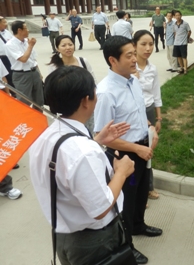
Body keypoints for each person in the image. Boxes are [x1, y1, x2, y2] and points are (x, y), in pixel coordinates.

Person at [30, 65, 136, 265]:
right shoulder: (83, 152)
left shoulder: (45, 136)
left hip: (65, 235)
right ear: (86, 100)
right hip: (94, 241)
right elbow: (100, 208)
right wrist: (121, 172)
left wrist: (97, 141)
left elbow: (66, 168)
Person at [94, 36, 161, 264]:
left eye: (135, 52)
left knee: (141, 193)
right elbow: (103, 138)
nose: (136, 58)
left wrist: (150, 129)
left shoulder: (131, 80)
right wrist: (136, 149)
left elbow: (137, 114)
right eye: (129, 55)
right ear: (113, 60)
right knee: (126, 201)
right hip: (124, 156)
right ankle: (127, 245)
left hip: (142, 147)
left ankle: (139, 225)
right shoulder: (105, 93)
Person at [132, 30, 162, 200]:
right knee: (136, 152)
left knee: (149, 151)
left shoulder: (152, 68)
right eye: (143, 44)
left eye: (151, 44)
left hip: (149, 110)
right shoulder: (129, 67)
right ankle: (136, 192)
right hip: (134, 114)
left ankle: (148, 188)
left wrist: (159, 117)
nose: (148, 48)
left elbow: (156, 93)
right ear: (134, 45)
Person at [47, 35, 97, 133]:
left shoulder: (83, 61)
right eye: (63, 45)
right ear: (57, 48)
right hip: (69, 108)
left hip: (86, 105)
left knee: (89, 132)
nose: (68, 47)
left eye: (70, 44)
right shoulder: (54, 66)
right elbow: (53, 90)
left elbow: (93, 82)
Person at [5, 21, 44, 111]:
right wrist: (30, 46)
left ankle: (39, 120)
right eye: (26, 28)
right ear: (19, 30)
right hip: (22, 75)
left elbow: (33, 59)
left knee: (39, 100)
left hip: (34, 72)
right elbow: (23, 59)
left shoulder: (27, 41)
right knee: (24, 101)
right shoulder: (10, 44)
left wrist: (39, 72)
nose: (28, 30)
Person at [173, 10, 191, 75]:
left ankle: (185, 69)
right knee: (178, 56)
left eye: (178, 15)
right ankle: (181, 68)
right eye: (176, 15)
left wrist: (187, 38)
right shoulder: (174, 25)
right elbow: (175, 32)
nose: (177, 16)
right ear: (174, 17)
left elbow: (189, 31)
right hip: (176, 43)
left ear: (181, 16)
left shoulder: (185, 24)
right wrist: (176, 39)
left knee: (184, 57)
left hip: (183, 43)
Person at [0, 16, 15, 89]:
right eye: (4, 22)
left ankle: (14, 92)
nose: (6, 24)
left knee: (12, 75)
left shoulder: (7, 32)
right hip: (1, 58)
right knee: (4, 77)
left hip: (9, 57)